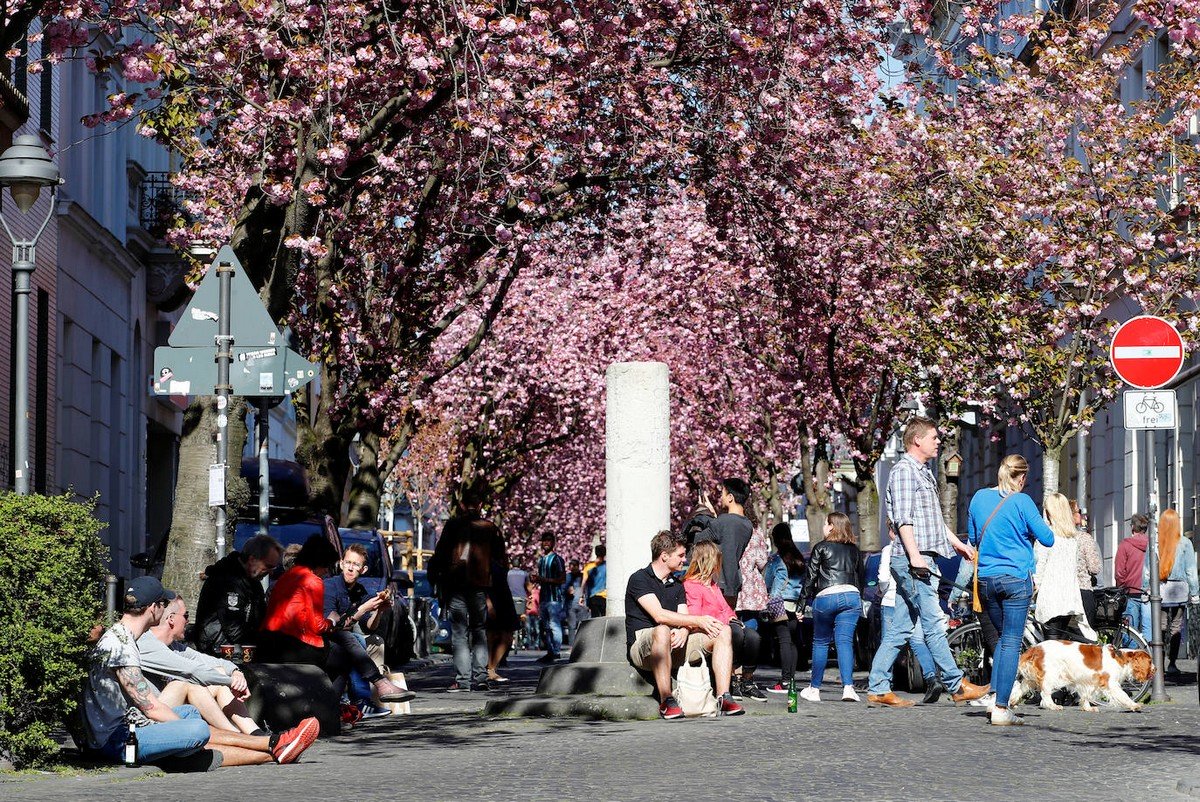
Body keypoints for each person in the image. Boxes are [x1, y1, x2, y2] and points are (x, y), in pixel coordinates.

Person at [85, 576, 319, 768]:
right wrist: (184, 731)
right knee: (195, 729)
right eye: (163, 605)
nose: (165, 611)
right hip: (119, 740)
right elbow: (151, 707)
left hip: (131, 727)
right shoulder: (122, 646)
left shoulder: (124, 637)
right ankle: (274, 743)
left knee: (190, 714)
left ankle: (276, 749)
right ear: (154, 608)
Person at [866, 416, 987, 709]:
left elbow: (932, 518)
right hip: (913, 560)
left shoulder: (924, 472)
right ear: (917, 440)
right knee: (933, 622)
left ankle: (878, 687)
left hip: (922, 556)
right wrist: (916, 556)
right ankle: (956, 685)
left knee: (900, 630)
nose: (938, 442)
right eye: (933, 437)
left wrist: (957, 545)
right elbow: (903, 520)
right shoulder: (905, 472)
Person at [258, 536, 413, 703]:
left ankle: (377, 685)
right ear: (321, 562)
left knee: (344, 639)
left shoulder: (289, 576)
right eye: (326, 566)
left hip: (272, 640)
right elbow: (318, 626)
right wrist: (332, 621)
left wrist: (370, 611)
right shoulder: (314, 581)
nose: (326, 571)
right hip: (295, 645)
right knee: (343, 657)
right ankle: (333, 707)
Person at [968, 454, 1055, 726]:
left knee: (1002, 643)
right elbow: (1048, 538)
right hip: (1016, 579)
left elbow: (973, 538)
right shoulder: (1022, 500)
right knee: (1010, 643)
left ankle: (996, 696)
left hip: (986, 581)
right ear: (1022, 477)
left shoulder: (979, 497)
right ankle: (1001, 707)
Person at [625, 530, 743, 718]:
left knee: (724, 631)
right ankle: (666, 700)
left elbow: (683, 616)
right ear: (664, 556)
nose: (684, 560)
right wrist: (696, 621)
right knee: (662, 630)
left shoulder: (677, 584)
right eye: (680, 555)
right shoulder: (639, 579)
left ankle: (724, 697)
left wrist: (684, 630)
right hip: (644, 646)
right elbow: (659, 615)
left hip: (675, 644)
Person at [137, 595, 267, 735]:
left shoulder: (175, 647)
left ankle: (256, 734)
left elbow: (213, 662)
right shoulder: (146, 644)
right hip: (149, 717)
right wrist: (231, 682)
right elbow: (193, 671)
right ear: (171, 619)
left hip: (170, 708)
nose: (188, 621)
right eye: (185, 615)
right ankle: (235, 735)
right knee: (188, 682)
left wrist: (235, 672)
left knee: (219, 673)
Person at [682, 542, 762, 701]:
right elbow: (696, 614)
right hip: (709, 627)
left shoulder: (712, 584)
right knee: (736, 634)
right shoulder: (691, 585)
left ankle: (747, 679)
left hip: (724, 623)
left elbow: (725, 609)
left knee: (753, 636)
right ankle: (732, 678)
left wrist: (732, 617)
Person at [324, 544, 396, 718]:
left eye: (355, 565)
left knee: (367, 638)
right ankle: (362, 701)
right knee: (354, 639)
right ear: (340, 564)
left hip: (342, 639)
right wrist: (364, 608)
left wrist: (379, 609)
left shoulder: (360, 591)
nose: (350, 568)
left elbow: (369, 626)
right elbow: (333, 625)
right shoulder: (329, 586)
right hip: (323, 637)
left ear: (363, 569)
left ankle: (360, 701)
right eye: (347, 562)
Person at [799, 513, 864, 703]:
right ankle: (848, 688)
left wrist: (802, 604)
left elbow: (810, 577)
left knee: (821, 642)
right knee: (845, 642)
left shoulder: (821, 547)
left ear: (831, 527)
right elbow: (860, 577)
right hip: (851, 596)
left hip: (826, 596)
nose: (823, 527)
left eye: (825, 524)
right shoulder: (854, 550)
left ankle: (815, 689)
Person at [427, 514, 494, 690]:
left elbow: (440, 554)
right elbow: (498, 559)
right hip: (478, 585)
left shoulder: (452, 526)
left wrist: (438, 577)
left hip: (456, 584)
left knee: (459, 634)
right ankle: (480, 678)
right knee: (479, 630)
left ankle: (463, 680)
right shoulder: (488, 527)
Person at [192, 534, 282, 656]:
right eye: (268, 566)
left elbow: (261, 619)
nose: (271, 572)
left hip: (238, 649)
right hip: (219, 651)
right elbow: (233, 628)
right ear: (252, 560)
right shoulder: (227, 579)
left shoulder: (253, 582)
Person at [877, 540, 942, 703]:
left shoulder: (889, 548)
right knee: (918, 641)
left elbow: (884, 577)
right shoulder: (920, 545)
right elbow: (936, 574)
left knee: (889, 643)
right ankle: (931, 678)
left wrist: (882, 591)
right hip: (916, 599)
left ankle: (884, 686)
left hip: (892, 600)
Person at [1034, 493, 1097, 643]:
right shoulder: (1072, 538)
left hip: (1050, 600)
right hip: (1068, 600)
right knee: (1060, 645)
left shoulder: (1046, 537)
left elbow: (1039, 569)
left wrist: (1034, 588)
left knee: (1050, 648)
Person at [1145, 509, 1199, 674]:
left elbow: (1147, 570)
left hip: (1160, 590)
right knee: (1176, 627)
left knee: (1159, 628)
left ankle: (1159, 664)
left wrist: (1145, 588)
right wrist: (1195, 593)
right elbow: (1191, 570)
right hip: (1179, 591)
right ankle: (1172, 664)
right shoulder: (1184, 543)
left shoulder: (1154, 543)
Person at [692, 478, 754, 608]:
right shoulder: (747, 524)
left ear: (730, 497)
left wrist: (703, 513)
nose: (721, 497)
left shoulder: (725, 521)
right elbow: (725, 537)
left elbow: (697, 540)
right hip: (733, 581)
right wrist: (714, 517)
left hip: (718, 582)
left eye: (723, 494)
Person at [763, 523, 805, 694]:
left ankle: (785, 681)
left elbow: (767, 581)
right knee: (792, 643)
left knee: (783, 642)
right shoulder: (799, 557)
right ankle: (791, 679)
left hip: (778, 603)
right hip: (794, 604)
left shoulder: (776, 558)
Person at [732, 523, 769, 702]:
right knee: (751, 631)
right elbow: (762, 561)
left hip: (732, 585)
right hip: (751, 590)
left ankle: (733, 678)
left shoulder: (728, 530)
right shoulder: (755, 533)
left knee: (733, 633)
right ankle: (747, 678)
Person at [484, 521, 520, 684]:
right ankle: (489, 669)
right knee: (493, 634)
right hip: (494, 597)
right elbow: (485, 582)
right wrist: (488, 602)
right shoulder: (486, 560)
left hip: (504, 597)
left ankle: (491, 667)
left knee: (506, 635)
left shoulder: (500, 560)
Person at [531, 533, 567, 663]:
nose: (545, 543)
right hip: (544, 598)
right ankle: (550, 651)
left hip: (554, 598)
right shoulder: (541, 560)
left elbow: (562, 579)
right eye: (543, 540)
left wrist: (543, 579)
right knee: (546, 626)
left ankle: (556, 652)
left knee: (554, 625)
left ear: (553, 542)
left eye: (548, 540)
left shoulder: (557, 559)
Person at [1115, 513, 1151, 636]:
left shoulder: (1125, 545)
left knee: (1130, 630)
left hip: (1130, 591)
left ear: (1132, 527)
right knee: (1148, 629)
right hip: (1149, 592)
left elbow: (1120, 572)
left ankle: (1130, 654)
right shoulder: (1152, 545)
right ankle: (1148, 654)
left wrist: (1121, 587)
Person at [1070, 499, 1102, 630]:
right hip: (1083, 590)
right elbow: (1095, 568)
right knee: (1086, 634)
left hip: (1064, 593)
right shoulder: (1084, 538)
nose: (1080, 514)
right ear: (1071, 515)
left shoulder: (1056, 537)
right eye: (1078, 511)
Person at [581, 544, 607, 618]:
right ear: (605, 553)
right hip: (604, 596)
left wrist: (581, 596)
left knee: (594, 618)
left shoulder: (588, 566)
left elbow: (584, 582)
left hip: (592, 596)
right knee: (604, 617)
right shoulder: (608, 566)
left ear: (595, 553)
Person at [564, 558, 586, 645]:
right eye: (571, 566)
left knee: (583, 625)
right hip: (571, 605)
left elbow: (587, 588)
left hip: (582, 604)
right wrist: (567, 591)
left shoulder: (583, 576)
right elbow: (562, 589)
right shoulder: (567, 576)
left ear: (578, 566)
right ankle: (572, 646)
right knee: (571, 626)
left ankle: (582, 644)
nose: (572, 568)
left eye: (574, 566)